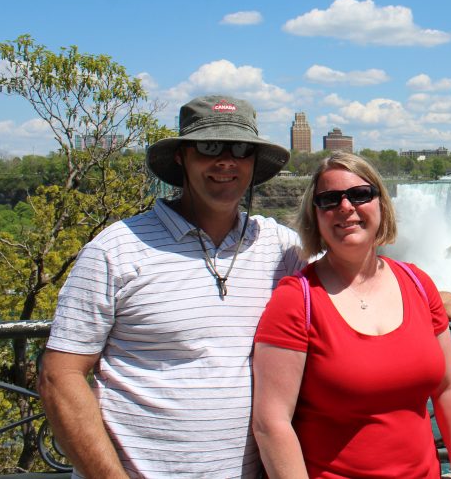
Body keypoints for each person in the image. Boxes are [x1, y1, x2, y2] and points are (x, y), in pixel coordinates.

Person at [39, 95, 302, 478]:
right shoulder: (116, 250)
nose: (226, 161)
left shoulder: (281, 247)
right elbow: (59, 375)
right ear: (182, 157)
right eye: (209, 147)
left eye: (241, 149)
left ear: (253, 161)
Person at [251, 152, 451, 479]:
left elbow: (449, 388)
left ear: (381, 205)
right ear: (315, 216)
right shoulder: (296, 300)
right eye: (329, 200)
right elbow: (271, 424)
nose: (346, 207)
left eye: (360, 195)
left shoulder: (417, 283)